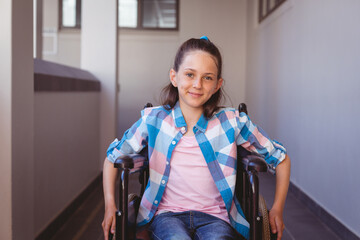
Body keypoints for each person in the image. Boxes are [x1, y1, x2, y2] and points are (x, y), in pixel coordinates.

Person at [102, 36, 291, 240]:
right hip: (167, 216)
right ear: (174, 77)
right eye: (190, 74)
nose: (197, 84)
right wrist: (110, 205)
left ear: (218, 84)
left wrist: (277, 210)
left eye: (207, 78)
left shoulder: (232, 122)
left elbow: (281, 159)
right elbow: (113, 158)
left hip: (216, 218)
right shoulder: (154, 120)